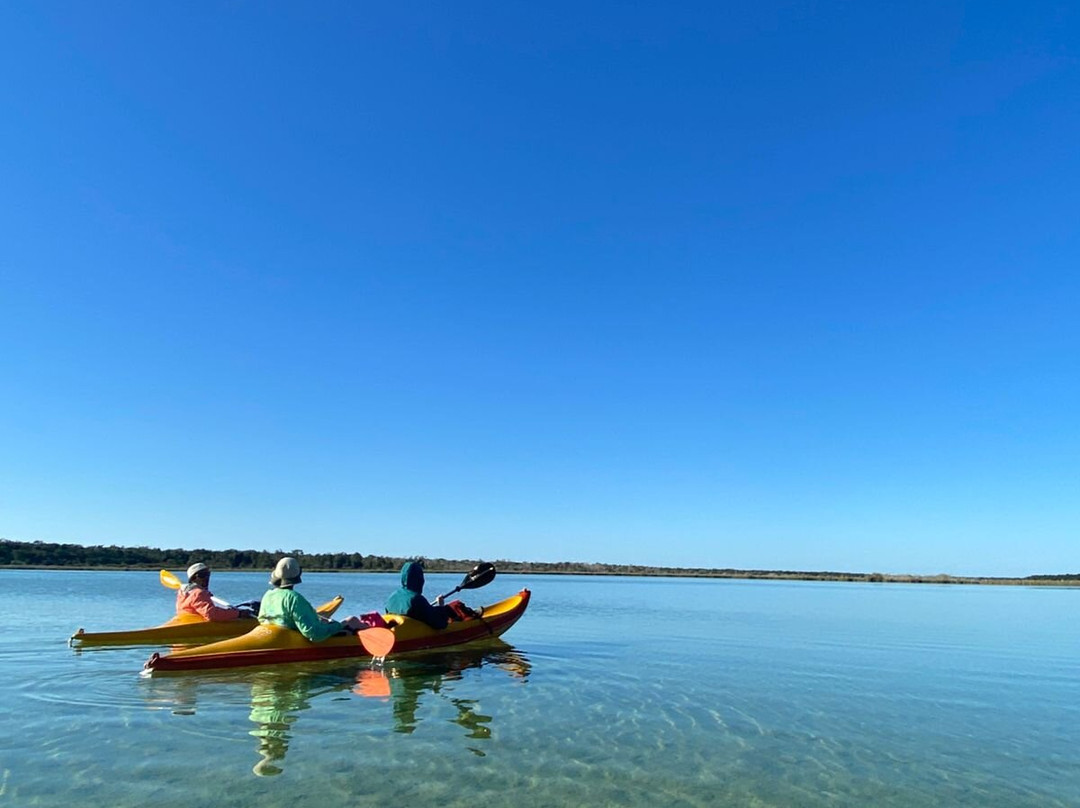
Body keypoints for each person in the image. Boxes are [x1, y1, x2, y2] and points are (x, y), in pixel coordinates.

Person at [258, 557, 363, 641]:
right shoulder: (294, 598)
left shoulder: (268, 595)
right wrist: (337, 626)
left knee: (330, 620)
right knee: (351, 620)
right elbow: (313, 633)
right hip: (296, 638)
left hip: (279, 634)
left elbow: (262, 619)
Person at [385, 560, 475, 630]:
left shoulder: (392, 596)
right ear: (419, 579)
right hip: (411, 633)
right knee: (453, 607)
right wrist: (441, 606)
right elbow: (441, 624)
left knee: (446, 608)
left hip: (398, 629)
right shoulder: (417, 599)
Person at [176, 562, 254, 621]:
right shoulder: (198, 593)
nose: (206, 578)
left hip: (188, 622)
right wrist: (239, 614)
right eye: (202, 575)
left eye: (208, 574)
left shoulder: (183, 591)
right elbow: (211, 614)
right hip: (196, 627)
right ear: (193, 579)